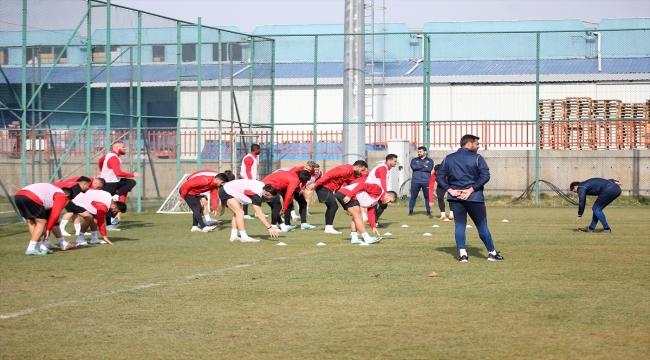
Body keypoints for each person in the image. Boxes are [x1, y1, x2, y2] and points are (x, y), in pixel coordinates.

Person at [437, 134, 504, 262]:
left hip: (455, 198)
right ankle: (492, 253)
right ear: (469, 144)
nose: (478, 146)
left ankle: (463, 255)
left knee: (460, 226)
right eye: (477, 144)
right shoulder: (477, 158)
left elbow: (439, 177)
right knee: (482, 226)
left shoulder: (448, 158)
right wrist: (471, 190)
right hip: (474, 197)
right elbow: (485, 176)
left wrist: (451, 190)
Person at [306, 160, 368, 234]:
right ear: (357, 167)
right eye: (362, 170)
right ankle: (328, 228)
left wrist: (337, 191)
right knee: (333, 206)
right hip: (323, 187)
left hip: (327, 188)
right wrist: (315, 184)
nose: (363, 172)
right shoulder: (345, 170)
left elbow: (341, 181)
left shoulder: (350, 172)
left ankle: (328, 227)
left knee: (332, 206)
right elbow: (328, 175)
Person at [14, 183, 76, 255]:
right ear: (67, 198)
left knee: (31, 222)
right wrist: (48, 229)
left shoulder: (52, 192)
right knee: (41, 222)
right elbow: (54, 215)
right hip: (32, 196)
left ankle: (42, 247)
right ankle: (31, 248)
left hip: (19, 195)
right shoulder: (62, 195)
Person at [98, 141, 141, 230]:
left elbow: (100, 160)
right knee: (108, 205)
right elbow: (118, 172)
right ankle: (108, 225)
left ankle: (116, 196)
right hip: (109, 183)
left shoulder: (110, 155)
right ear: (117, 148)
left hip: (115, 181)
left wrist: (101, 171)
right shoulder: (113, 158)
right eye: (123, 147)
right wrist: (133, 175)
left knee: (131, 182)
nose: (125, 148)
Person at [366, 154, 398, 226]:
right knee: (377, 205)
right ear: (389, 160)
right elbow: (382, 181)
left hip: (376, 189)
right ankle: (373, 221)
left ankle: (373, 221)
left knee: (383, 205)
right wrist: (384, 194)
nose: (396, 163)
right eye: (394, 161)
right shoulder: (383, 168)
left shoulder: (386, 168)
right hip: (372, 189)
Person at [239, 144, 263, 220]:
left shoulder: (253, 157)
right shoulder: (249, 158)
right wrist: (250, 181)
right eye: (259, 149)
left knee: (256, 195)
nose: (260, 151)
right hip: (246, 180)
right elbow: (248, 170)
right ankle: (245, 213)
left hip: (249, 180)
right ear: (256, 150)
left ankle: (257, 212)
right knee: (247, 196)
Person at [409, 146, 434, 217]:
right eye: (418, 152)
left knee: (427, 197)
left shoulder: (430, 161)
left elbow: (429, 169)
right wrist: (423, 166)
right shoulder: (414, 160)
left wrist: (419, 167)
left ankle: (428, 211)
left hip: (426, 181)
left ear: (425, 152)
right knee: (413, 196)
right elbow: (413, 167)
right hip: (415, 181)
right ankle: (411, 211)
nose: (419, 153)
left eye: (420, 152)